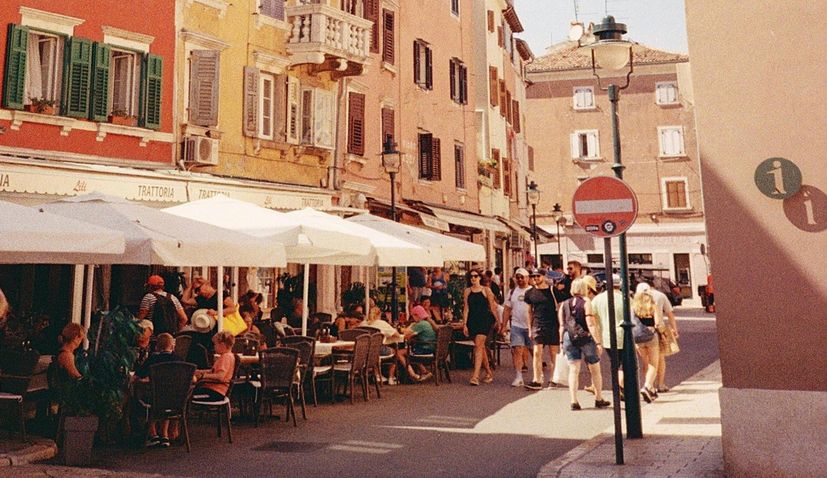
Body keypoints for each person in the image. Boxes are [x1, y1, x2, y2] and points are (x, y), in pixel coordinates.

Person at [559, 278, 610, 410]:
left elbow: (562, 325)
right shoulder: (586, 303)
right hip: (585, 338)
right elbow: (591, 324)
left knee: (573, 370)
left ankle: (573, 400)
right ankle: (598, 398)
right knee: (595, 369)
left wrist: (561, 342)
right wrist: (598, 342)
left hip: (569, 337)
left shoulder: (564, 304)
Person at [133, 333, 181, 448]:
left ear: (157, 347)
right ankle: (164, 435)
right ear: (172, 346)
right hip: (175, 400)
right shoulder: (179, 360)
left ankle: (153, 434)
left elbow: (136, 377)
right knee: (165, 396)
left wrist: (143, 381)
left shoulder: (153, 360)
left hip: (154, 399)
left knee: (143, 396)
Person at [639, 282, 680, 393]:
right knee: (659, 359)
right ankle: (660, 384)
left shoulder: (635, 300)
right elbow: (670, 314)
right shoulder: (660, 296)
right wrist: (673, 330)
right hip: (655, 333)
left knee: (646, 361)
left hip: (639, 334)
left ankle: (649, 385)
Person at [589, 274, 626, 398]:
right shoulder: (625, 298)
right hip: (623, 334)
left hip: (606, 336)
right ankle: (621, 385)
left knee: (614, 362)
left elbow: (591, 316)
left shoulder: (597, 299)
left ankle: (617, 385)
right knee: (624, 363)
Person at [462, 270, 499, 386]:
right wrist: (464, 324)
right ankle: (488, 372)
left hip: (485, 320)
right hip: (472, 321)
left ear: (480, 277)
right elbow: (466, 308)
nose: (473, 278)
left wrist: (498, 321)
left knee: (478, 346)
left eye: (475, 276)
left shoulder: (486, 290)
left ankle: (475, 376)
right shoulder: (467, 291)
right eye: (471, 277)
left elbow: (493, 307)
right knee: (481, 347)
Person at [524, 268, 559, 390]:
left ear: (543, 276)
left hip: (553, 325)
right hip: (538, 325)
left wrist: (561, 326)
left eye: (538, 276)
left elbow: (559, 307)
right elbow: (529, 311)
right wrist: (529, 328)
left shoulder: (552, 291)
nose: (535, 278)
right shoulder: (530, 293)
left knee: (553, 353)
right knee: (537, 352)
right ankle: (537, 379)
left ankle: (553, 379)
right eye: (533, 276)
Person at [632, 284, 664, 403]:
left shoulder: (633, 306)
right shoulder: (653, 306)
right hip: (651, 337)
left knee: (645, 363)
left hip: (638, 338)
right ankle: (647, 386)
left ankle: (650, 388)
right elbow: (658, 323)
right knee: (653, 364)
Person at [359, 304, 405, 385]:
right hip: (378, 350)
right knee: (395, 352)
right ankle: (391, 377)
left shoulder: (362, 323)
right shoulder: (382, 323)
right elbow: (397, 335)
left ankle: (377, 375)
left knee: (374, 352)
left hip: (363, 351)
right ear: (379, 314)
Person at [502, 268, 533, 387]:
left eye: (522, 277)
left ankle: (538, 374)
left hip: (530, 326)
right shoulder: (512, 292)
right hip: (516, 325)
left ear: (527, 278)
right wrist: (504, 325)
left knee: (533, 351)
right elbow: (507, 309)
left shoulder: (533, 291)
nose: (520, 280)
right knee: (517, 350)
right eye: (517, 277)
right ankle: (518, 376)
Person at [192, 331, 237, 401]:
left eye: (215, 344)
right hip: (215, 390)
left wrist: (203, 376)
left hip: (216, 391)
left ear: (222, 345)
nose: (214, 347)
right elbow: (213, 371)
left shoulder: (226, 357)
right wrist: (199, 371)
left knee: (188, 394)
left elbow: (220, 376)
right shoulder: (227, 356)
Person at [402, 305, 435, 382]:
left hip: (424, 348)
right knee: (411, 351)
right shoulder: (426, 323)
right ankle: (424, 372)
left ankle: (412, 374)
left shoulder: (420, 324)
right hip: (431, 347)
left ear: (416, 315)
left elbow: (406, 334)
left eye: (412, 316)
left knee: (399, 353)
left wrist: (411, 325)